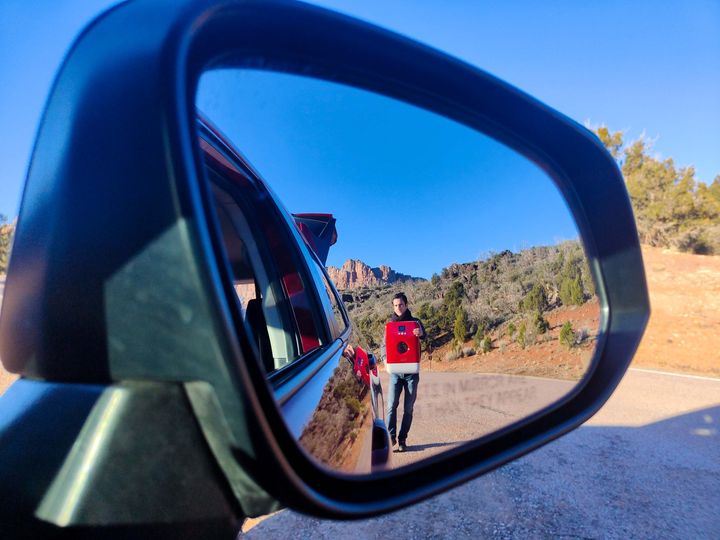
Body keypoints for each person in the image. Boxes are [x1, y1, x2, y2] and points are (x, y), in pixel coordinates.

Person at [386, 292, 425, 452]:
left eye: (401, 304)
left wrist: (421, 333)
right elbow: (384, 345)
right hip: (395, 372)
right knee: (391, 406)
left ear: (406, 305)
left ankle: (402, 439)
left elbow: (424, 335)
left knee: (408, 408)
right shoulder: (389, 325)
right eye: (395, 305)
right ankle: (390, 438)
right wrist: (385, 360)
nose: (398, 308)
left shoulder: (415, 322)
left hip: (411, 373)